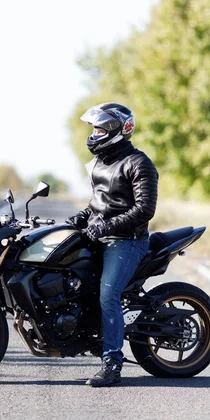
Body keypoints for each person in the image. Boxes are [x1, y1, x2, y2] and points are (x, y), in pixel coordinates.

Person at [66, 102, 159, 387]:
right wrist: (83, 216)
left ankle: (112, 363)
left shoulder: (138, 163)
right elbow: (101, 202)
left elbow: (144, 210)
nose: (94, 134)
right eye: (93, 128)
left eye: (99, 129)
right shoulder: (101, 162)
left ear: (117, 130)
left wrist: (107, 226)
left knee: (108, 294)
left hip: (127, 240)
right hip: (100, 235)